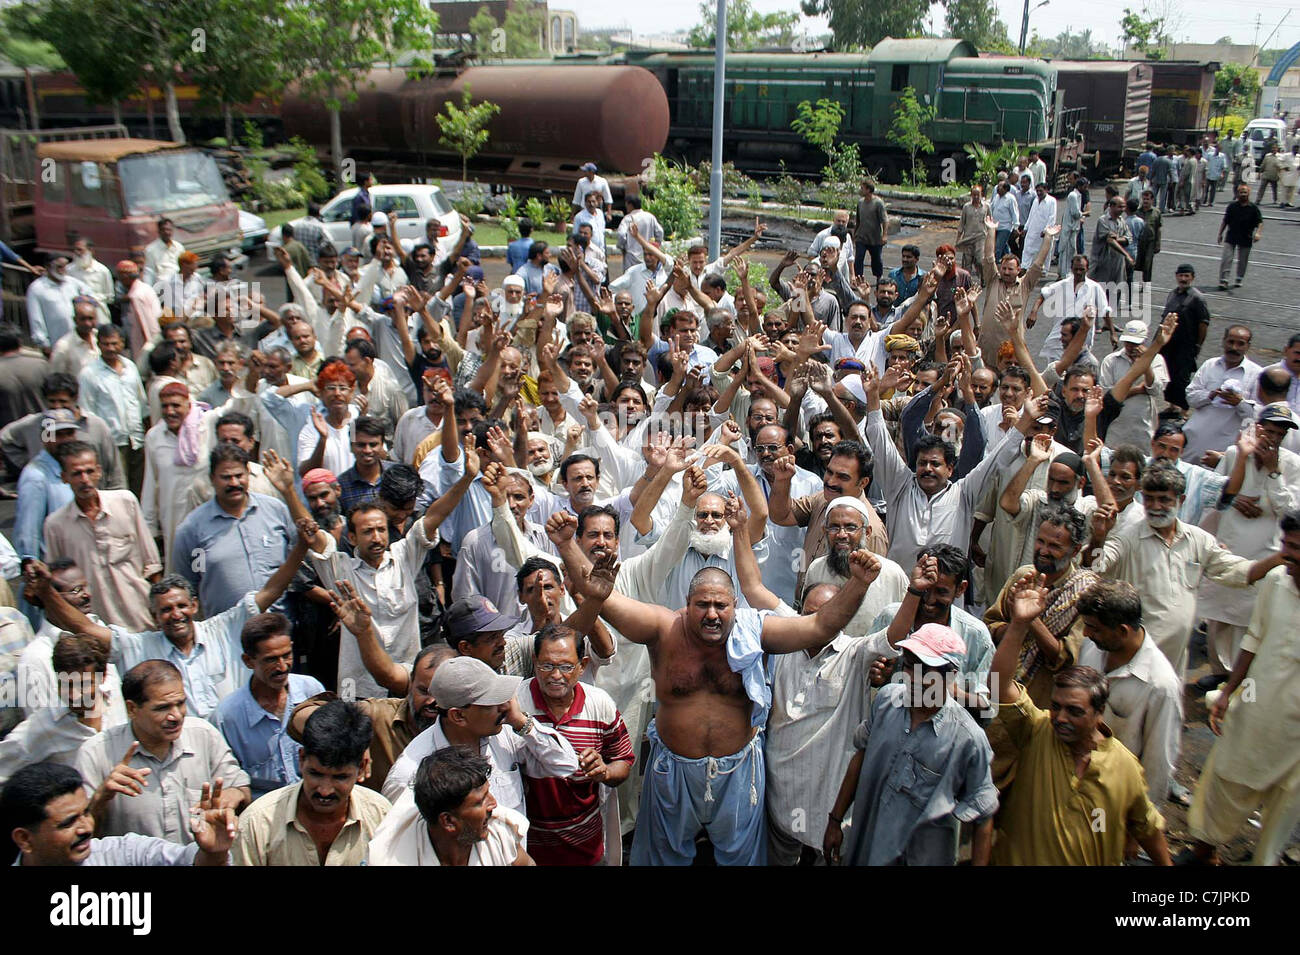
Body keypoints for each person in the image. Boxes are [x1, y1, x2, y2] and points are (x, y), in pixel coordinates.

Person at [569, 545, 886, 866]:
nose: (711, 613)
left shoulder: (758, 630)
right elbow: (604, 595)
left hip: (738, 773)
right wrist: (571, 548)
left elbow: (820, 626)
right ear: (686, 605)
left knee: (739, 860)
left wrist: (858, 583)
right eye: (702, 605)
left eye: (720, 605)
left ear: (735, 606)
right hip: (673, 773)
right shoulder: (663, 628)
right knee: (663, 859)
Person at [30, 519, 308, 722]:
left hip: (237, 743)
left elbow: (272, 590)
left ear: (194, 606)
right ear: (154, 617)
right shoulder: (139, 648)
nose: (175, 615)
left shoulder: (223, 628)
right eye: (165, 610)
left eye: (181, 606)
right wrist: (46, 592)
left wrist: (302, 546)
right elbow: (83, 627)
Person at [988, 572, 1173, 865]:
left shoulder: (1125, 767)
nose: (1060, 718)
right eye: (1056, 706)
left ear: (1100, 715)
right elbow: (1000, 684)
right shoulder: (1039, 730)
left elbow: (1148, 823)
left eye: (1074, 712)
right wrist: (1020, 625)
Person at [823, 623, 998, 866]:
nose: (914, 678)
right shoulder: (886, 701)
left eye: (926, 671)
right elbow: (861, 757)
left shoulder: (967, 738)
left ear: (950, 676)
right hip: (864, 849)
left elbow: (983, 815)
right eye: (909, 666)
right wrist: (835, 820)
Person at [1183, 511, 1300, 866]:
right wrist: (1230, 692)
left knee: (1285, 805)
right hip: (1256, 709)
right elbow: (1253, 638)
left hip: (1296, 734)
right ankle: (1204, 850)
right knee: (1225, 778)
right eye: (1284, 544)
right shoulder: (1277, 581)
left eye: (1294, 547)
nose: (1284, 553)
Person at [1086, 460, 1279, 675]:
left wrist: (1280, 558)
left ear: (1181, 500)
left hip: (1174, 661)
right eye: (1149, 499)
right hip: (1133, 660)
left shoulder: (1198, 540)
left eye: (1164, 500)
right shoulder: (1129, 537)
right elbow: (1094, 566)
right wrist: (1098, 539)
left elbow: (1237, 571)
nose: (1156, 507)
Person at [75, 660, 250, 844]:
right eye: (162, 708)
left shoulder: (204, 735)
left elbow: (242, 789)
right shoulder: (96, 753)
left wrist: (234, 794)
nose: (176, 716)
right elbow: (78, 835)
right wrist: (101, 799)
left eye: (180, 703)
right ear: (132, 709)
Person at [380, 654, 580, 806]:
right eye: (492, 702)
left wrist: (522, 723)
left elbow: (566, 764)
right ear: (458, 716)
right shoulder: (410, 775)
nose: (505, 706)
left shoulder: (505, 736)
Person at [515, 622, 634, 865]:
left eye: (566, 667)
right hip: (528, 851)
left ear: (583, 666)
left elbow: (623, 760)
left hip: (586, 847)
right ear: (534, 662)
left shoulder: (600, 705)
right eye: (547, 666)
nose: (556, 675)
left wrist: (605, 771)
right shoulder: (516, 705)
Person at [232, 700, 391, 866]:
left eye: (340, 777)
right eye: (315, 774)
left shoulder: (381, 817)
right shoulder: (257, 823)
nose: (324, 791)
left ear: (361, 768)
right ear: (301, 759)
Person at [3, 762, 235, 866]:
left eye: (86, 813)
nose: (86, 828)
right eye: (68, 823)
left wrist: (214, 854)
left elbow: (185, 861)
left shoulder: (123, 855)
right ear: (24, 839)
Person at [41, 442, 161, 633]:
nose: (85, 479)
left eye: (89, 471)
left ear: (99, 472)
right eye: (77, 473)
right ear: (64, 478)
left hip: (140, 618)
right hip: (95, 628)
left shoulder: (126, 503)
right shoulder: (56, 525)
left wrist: (159, 611)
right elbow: (57, 586)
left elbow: (152, 565)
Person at [171, 443, 293, 616]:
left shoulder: (275, 510)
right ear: (212, 478)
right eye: (226, 477)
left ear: (248, 473)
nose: (234, 483)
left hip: (282, 628)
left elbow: (298, 559)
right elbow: (188, 585)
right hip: (228, 634)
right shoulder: (191, 530)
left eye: (239, 475)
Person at [214, 613, 325, 799]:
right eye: (271, 660)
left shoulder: (311, 691)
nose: (282, 667)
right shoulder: (227, 716)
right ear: (248, 661)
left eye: (287, 655)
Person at [369, 745, 533, 865]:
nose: (494, 804)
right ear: (448, 821)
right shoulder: (393, 859)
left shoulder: (499, 833)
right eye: (480, 801)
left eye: (488, 793)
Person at [1182, 325, 1262, 466]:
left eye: (1240, 344)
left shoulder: (1256, 374)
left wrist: (1239, 402)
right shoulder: (1210, 365)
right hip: (1194, 440)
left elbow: (1257, 417)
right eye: (1231, 342)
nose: (1234, 348)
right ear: (1223, 341)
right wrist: (1210, 395)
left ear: (1248, 346)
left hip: (1224, 448)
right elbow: (1190, 397)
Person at [1158, 263, 1212, 410]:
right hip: (1169, 345)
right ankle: (1172, 406)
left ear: (1192, 278)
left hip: (1186, 346)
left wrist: (1198, 345)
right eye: (1181, 275)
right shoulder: (1172, 294)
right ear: (1176, 276)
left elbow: (1203, 324)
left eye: (1186, 276)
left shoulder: (1197, 298)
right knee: (1167, 375)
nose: (1183, 279)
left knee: (1181, 379)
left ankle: (1184, 410)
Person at [1217, 183, 1263, 290]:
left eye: (1245, 192)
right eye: (1241, 192)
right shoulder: (1232, 206)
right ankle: (1224, 280)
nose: (1243, 194)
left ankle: (1239, 277)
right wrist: (1220, 234)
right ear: (1237, 194)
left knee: (1243, 259)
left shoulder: (1253, 208)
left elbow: (1260, 222)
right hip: (1231, 236)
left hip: (1246, 236)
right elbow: (1225, 221)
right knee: (1226, 258)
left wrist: (1258, 233)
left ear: (1249, 194)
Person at [852, 180, 888, 282]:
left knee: (876, 260)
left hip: (875, 238)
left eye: (862, 188)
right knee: (858, 258)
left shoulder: (878, 203)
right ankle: (858, 279)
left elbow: (885, 220)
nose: (860, 190)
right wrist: (855, 233)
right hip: (861, 236)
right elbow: (858, 220)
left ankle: (878, 277)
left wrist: (884, 235)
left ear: (868, 190)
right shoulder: (860, 202)